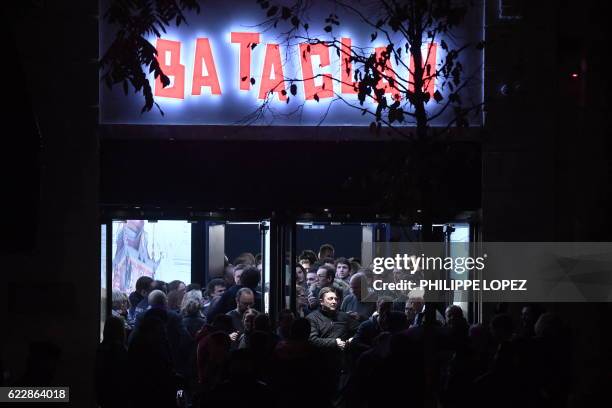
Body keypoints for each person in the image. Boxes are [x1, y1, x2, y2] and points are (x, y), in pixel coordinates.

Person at [95, 316, 129, 408]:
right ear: (121, 331)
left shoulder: (100, 349)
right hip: (119, 397)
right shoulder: (121, 350)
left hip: (104, 396)